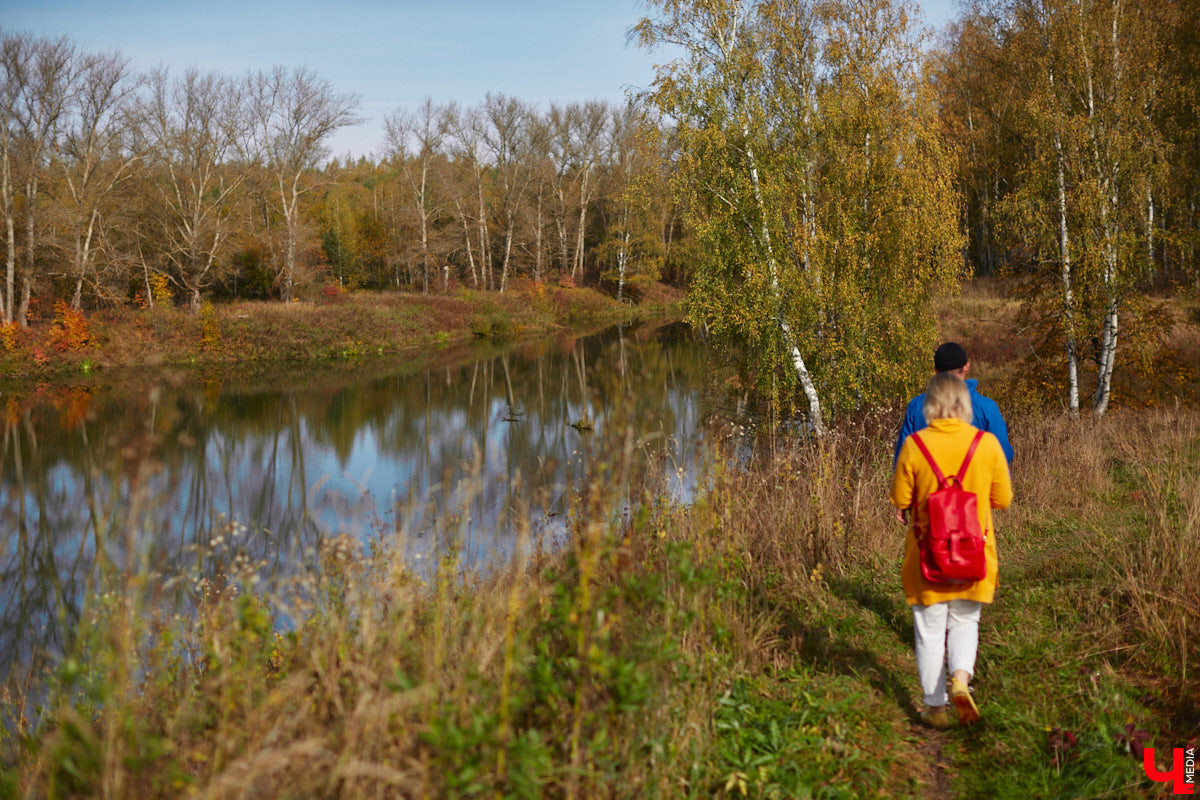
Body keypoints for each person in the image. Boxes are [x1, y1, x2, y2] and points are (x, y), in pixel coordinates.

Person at [891, 373, 1013, 728]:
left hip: (927, 556)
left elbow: (900, 498)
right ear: (965, 404)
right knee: (965, 622)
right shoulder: (986, 444)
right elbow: (1003, 499)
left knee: (930, 633)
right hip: (974, 554)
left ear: (930, 405)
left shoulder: (915, 445)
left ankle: (935, 708)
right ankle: (960, 679)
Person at [894, 342, 1013, 465]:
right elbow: (1003, 455)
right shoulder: (987, 408)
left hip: (927, 477)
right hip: (976, 476)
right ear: (966, 367)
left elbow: (902, 459)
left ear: (935, 370)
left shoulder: (916, 406)